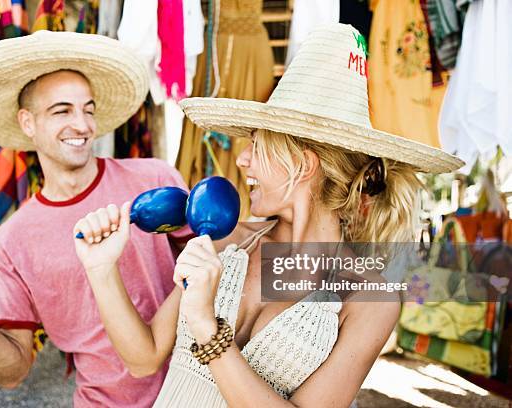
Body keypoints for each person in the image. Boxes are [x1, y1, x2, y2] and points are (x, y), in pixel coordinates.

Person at [73, 24, 464, 407]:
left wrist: (209, 329)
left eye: (257, 146)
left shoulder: (370, 300)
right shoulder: (226, 242)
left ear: (303, 164)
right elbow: (143, 359)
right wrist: (101, 269)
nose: (242, 159)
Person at [0, 31, 192, 407]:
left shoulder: (154, 179)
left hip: (195, 393)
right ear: (27, 122)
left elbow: (211, 264)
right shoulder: (14, 239)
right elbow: (13, 371)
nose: (83, 125)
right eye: (62, 111)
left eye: (88, 110)